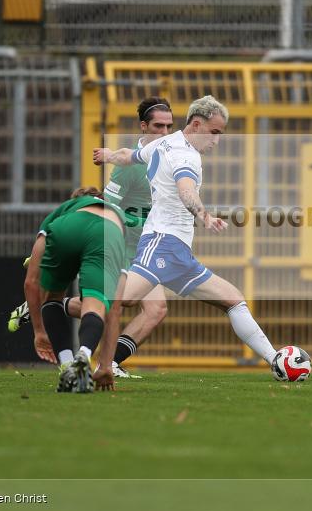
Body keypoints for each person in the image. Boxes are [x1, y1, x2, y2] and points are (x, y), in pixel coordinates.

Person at [94, 95, 279, 389]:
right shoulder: (186, 155)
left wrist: (108, 155)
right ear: (196, 124)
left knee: (233, 300)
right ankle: (54, 305)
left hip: (178, 252)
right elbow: (186, 190)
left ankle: (277, 361)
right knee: (122, 300)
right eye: (214, 132)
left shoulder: (164, 143)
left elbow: (131, 156)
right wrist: (204, 216)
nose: (216, 140)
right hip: (162, 243)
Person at [9, 97, 174, 379]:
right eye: (158, 126)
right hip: (120, 245)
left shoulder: (169, 162)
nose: (165, 132)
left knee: (156, 309)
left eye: (169, 126)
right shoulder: (130, 166)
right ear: (143, 127)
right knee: (119, 303)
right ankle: (47, 306)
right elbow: (107, 208)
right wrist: (144, 222)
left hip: (145, 247)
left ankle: (111, 363)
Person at [33, 188, 129, 393]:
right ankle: (83, 355)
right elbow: (115, 309)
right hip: (107, 233)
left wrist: (39, 331)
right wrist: (105, 366)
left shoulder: (66, 208)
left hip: (67, 228)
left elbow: (30, 282)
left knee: (51, 298)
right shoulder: (118, 217)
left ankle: (68, 365)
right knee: (96, 304)